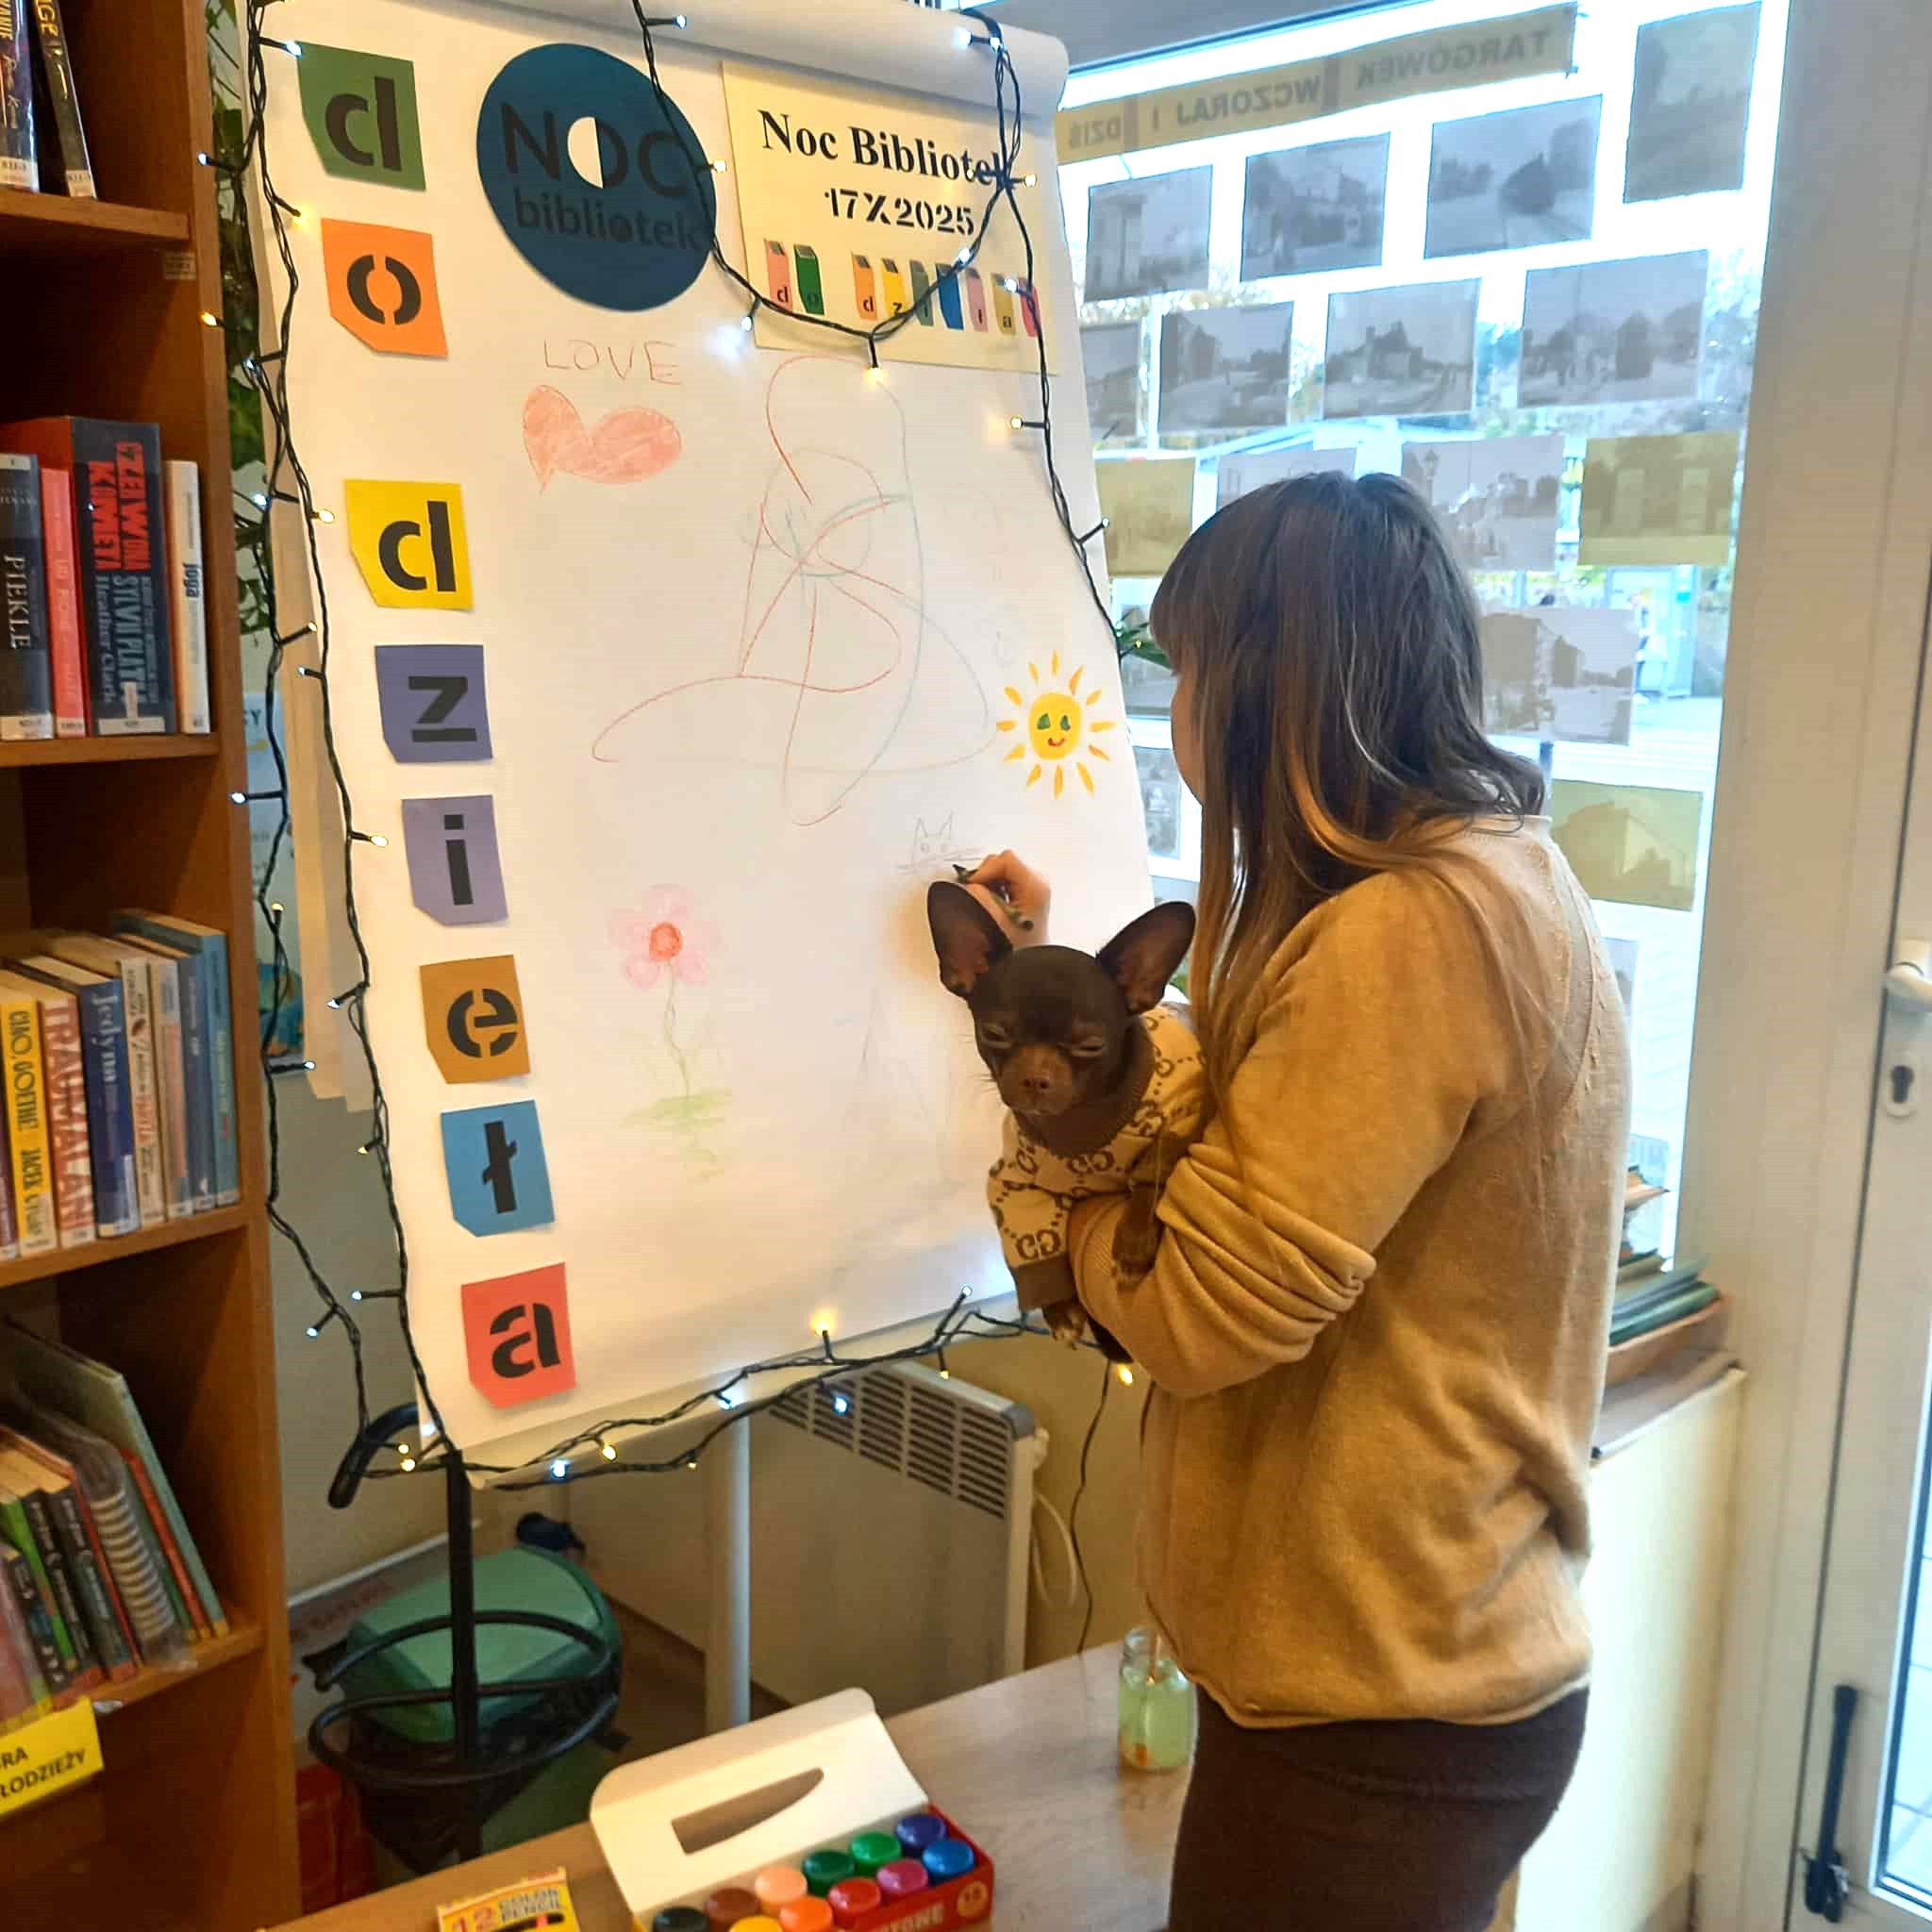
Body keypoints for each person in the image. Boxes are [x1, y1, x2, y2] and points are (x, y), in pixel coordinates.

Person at [965, 472, 1629, 1932]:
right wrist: (1051, 977)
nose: (1179, 711)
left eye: (1191, 668)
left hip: (1379, 1705)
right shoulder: (1487, 880)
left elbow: (1197, 1311)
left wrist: (1064, 1219)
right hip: (1413, 1670)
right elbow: (1278, 1121)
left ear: (1267, 687)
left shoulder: (1410, 933)